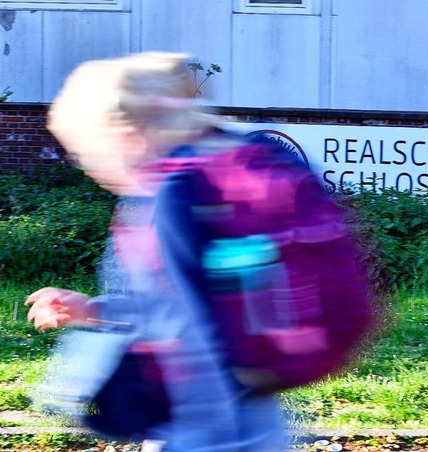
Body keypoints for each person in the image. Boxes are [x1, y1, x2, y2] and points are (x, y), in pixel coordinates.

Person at [24, 53, 288, 451]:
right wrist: (92, 309)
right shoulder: (188, 192)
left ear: (126, 136)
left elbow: (198, 331)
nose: (86, 166)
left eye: (85, 150)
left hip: (208, 429)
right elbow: (174, 307)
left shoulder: (176, 202)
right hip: (234, 422)